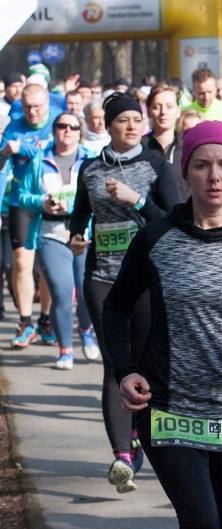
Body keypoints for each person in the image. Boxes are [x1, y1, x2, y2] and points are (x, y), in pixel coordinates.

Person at [102, 121, 222, 529]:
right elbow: (115, 308)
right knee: (202, 525)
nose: (214, 175)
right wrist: (124, 370)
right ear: (186, 172)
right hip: (170, 406)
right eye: (202, 165)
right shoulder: (156, 237)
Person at [69, 91, 181, 493]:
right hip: (102, 277)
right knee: (116, 366)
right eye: (123, 120)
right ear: (109, 126)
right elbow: (79, 217)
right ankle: (121, 456)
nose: (132, 126)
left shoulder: (155, 165)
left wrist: (138, 201)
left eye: (138, 119)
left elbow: (175, 221)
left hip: (149, 280)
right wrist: (77, 237)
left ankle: (139, 434)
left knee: (144, 362)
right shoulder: (90, 169)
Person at [18, 112, 99, 369]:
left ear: (80, 132)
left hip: (83, 233)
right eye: (62, 126)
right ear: (54, 130)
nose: (67, 130)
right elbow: (22, 196)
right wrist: (43, 202)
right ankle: (65, 350)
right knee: (62, 292)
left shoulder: (90, 159)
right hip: (50, 233)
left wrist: (73, 205)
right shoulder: (39, 159)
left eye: (73, 126)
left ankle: (86, 330)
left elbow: (97, 196)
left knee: (86, 290)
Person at [2, 83, 57, 348]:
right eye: (26, 107)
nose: (32, 112)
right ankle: (25, 322)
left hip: (51, 199)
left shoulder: (59, 122)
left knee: (48, 265)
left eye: (37, 107)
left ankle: (46, 319)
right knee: (21, 262)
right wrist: (6, 150)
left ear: (47, 103)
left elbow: (57, 152)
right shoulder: (14, 125)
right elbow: (2, 162)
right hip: (20, 200)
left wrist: (22, 148)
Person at [142, 83, 187, 200]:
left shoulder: (189, 147)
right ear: (148, 111)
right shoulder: (139, 147)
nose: (163, 112)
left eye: (169, 106)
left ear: (178, 111)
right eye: (157, 106)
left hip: (185, 216)